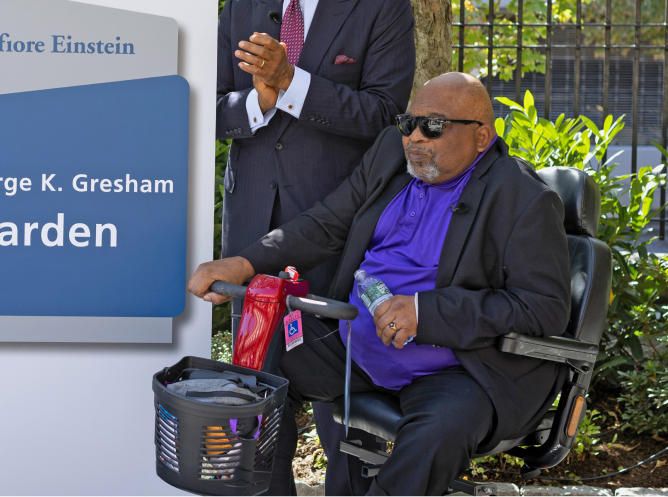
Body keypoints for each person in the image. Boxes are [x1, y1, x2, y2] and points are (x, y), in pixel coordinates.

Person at [192, 73, 572, 495]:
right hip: (357, 342)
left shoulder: (522, 197)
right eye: (409, 122)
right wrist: (243, 262)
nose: (414, 138)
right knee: (262, 374)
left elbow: (543, 306)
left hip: (457, 367)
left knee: (436, 434)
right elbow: (326, 224)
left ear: (481, 137)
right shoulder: (392, 157)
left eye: (433, 126)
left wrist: (426, 312)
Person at [215, 0, 415, 494]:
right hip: (254, 225)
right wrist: (263, 99)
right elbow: (217, 108)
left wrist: (292, 83)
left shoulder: (382, 6)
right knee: (258, 387)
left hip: (337, 229)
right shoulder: (245, 6)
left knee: (336, 390)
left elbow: (385, 117)